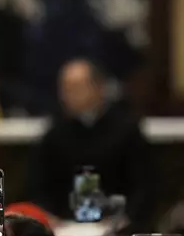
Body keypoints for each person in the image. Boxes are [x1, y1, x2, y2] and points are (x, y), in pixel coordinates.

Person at [30, 58, 150, 225]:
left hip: (116, 226)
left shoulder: (126, 130)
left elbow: (143, 185)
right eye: (65, 89)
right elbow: (40, 185)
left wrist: (125, 218)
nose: (68, 95)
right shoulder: (55, 133)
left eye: (76, 88)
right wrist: (50, 217)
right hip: (66, 225)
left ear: (99, 88)